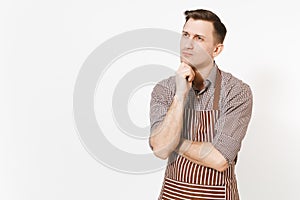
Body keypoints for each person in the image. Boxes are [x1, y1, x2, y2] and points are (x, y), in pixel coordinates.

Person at [149, 9, 253, 200]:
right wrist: (180, 94)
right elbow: (160, 149)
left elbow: (220, 159)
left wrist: (172, 140)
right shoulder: (164, 89)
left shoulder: (236, 92)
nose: (188, 44)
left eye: (199, 38)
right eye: (185, 35)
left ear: (216, 49)